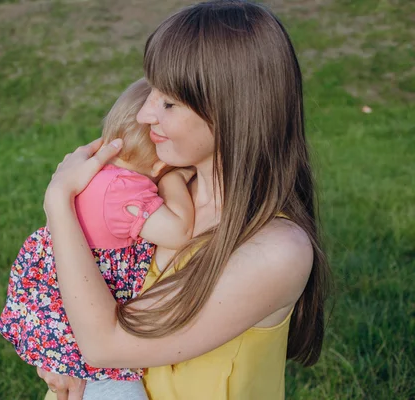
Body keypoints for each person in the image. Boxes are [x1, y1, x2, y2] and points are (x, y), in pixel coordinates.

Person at [39, 1, 331, 399]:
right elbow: (79, 288)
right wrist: (57, 357)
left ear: (230, 112)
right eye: (150, 93)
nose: (143, 114)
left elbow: (105, 344)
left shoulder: (276, 250)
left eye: (168, 102)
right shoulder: (159, 191)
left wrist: (59, 201)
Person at [0, 78, 195, 400]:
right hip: (81, 317)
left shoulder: (95, 172)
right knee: (116, 390)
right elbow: (179, 232)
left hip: (55, 298)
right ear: (160, 162)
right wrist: (174, 179)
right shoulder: (126, 190)